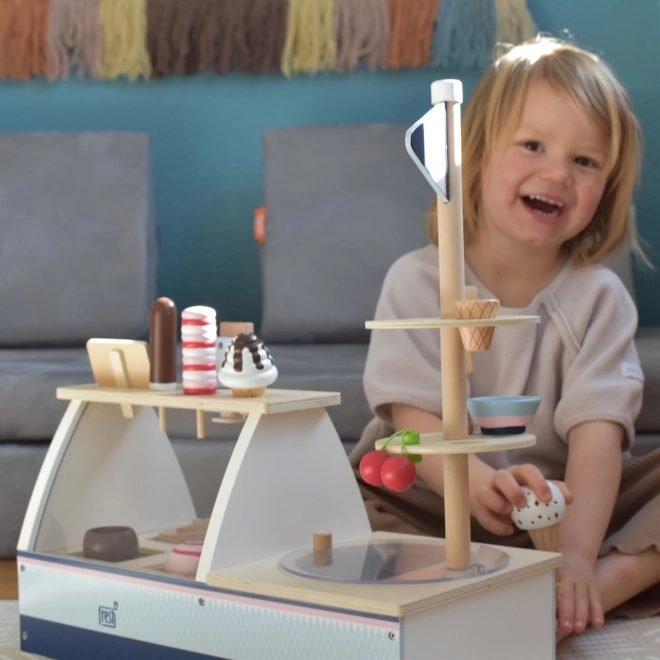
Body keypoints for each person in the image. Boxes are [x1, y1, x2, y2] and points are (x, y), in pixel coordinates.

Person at [350, 35, 660, 643]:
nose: (558, 173)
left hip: (574, 512)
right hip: (435, 504)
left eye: (585, 161)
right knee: (342, 510)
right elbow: (414, 423)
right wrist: (474, 487)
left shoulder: (599, 298)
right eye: (533, 145)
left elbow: (598, 439)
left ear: (606, 189)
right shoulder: (417, 281)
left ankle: (595, 586)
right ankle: (489, 596)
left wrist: (575, 558)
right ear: (477, 155)